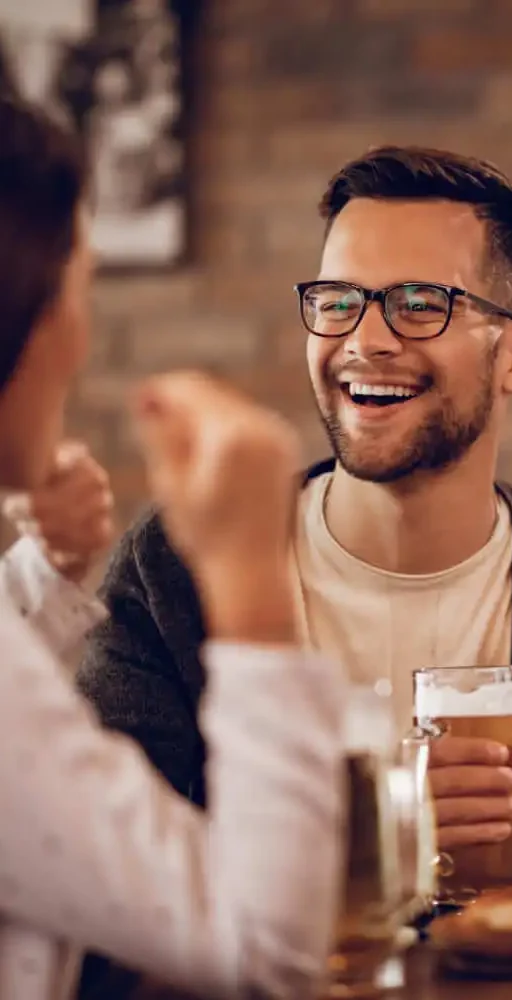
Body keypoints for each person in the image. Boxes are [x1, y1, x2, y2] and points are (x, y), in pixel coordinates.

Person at [77, 146, 512, 876]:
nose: (365, 341)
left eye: (422, 304)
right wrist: (373, 829)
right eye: (338, 302)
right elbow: (110, 863)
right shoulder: (179, 561)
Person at [0, 94, 345, 998]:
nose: (82, 336)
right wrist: (249, 577)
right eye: (80, 288)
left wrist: (43, 578)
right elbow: (262, 953)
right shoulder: (160, 571)